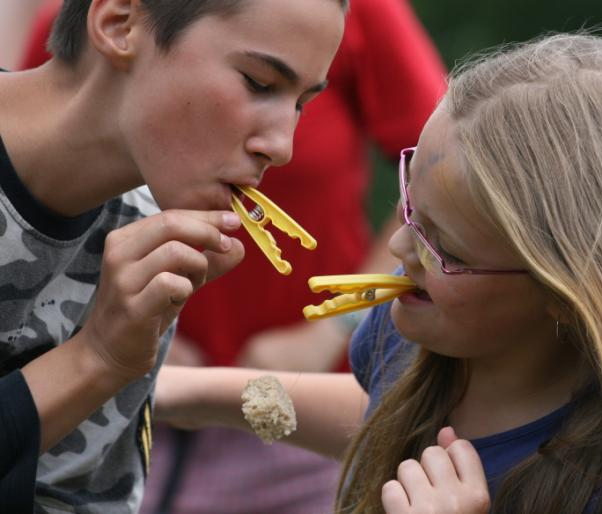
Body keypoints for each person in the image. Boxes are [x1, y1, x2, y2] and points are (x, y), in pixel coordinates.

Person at [154, 33, 602, 513]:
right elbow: (376, 415)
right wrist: (198, 395)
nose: (398, 245)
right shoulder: (419, 335)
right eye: (409, 206)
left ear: (565, 290)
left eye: (446, 247)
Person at [0, 0, 345, 512]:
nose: (283, 146)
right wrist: (98, 358)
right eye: (258, 82)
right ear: (120, 24)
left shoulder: (141, 233)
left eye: (301, 104)